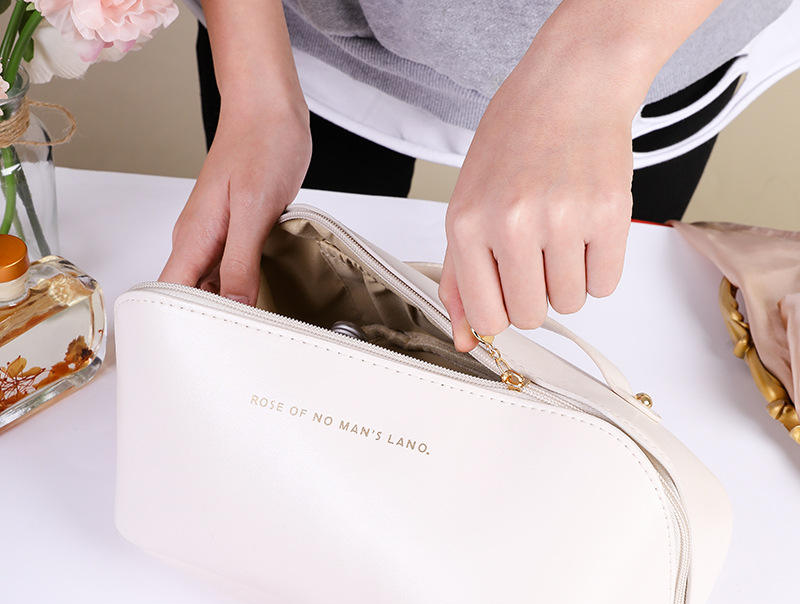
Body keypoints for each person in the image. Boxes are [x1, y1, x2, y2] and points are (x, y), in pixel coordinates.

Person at [161, 0, 790, 351]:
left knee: (593, 329)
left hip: (641, 61)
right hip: (293, 39)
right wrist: (255, 87)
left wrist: (592, 68)